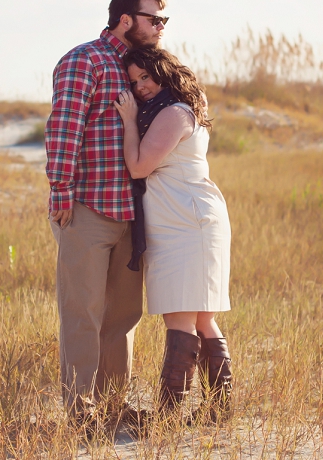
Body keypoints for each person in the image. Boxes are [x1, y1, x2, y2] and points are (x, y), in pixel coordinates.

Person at [44, 0, 168, 428]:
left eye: (162, 21)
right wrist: (60, 190)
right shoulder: (85, 59)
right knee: (83, 312)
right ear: (125, 20)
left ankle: (114, 407)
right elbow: (64, 127)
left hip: (132, 214)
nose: (159, 28)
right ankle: (81, 412)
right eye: (154, 19)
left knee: (123, 315)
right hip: (87, 209)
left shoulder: (144, 67)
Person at [113, 48, 233, 418]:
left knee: (183, 317)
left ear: (163, 72)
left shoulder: (173, 113)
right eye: (134, 82)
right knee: (198, 317)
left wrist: (130, 120)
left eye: (145, 77)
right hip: (182, 217)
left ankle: (167, 416)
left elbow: (137, 166)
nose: (140, 87)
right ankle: (219, 409)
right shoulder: (173, 109)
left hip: (188, 221)